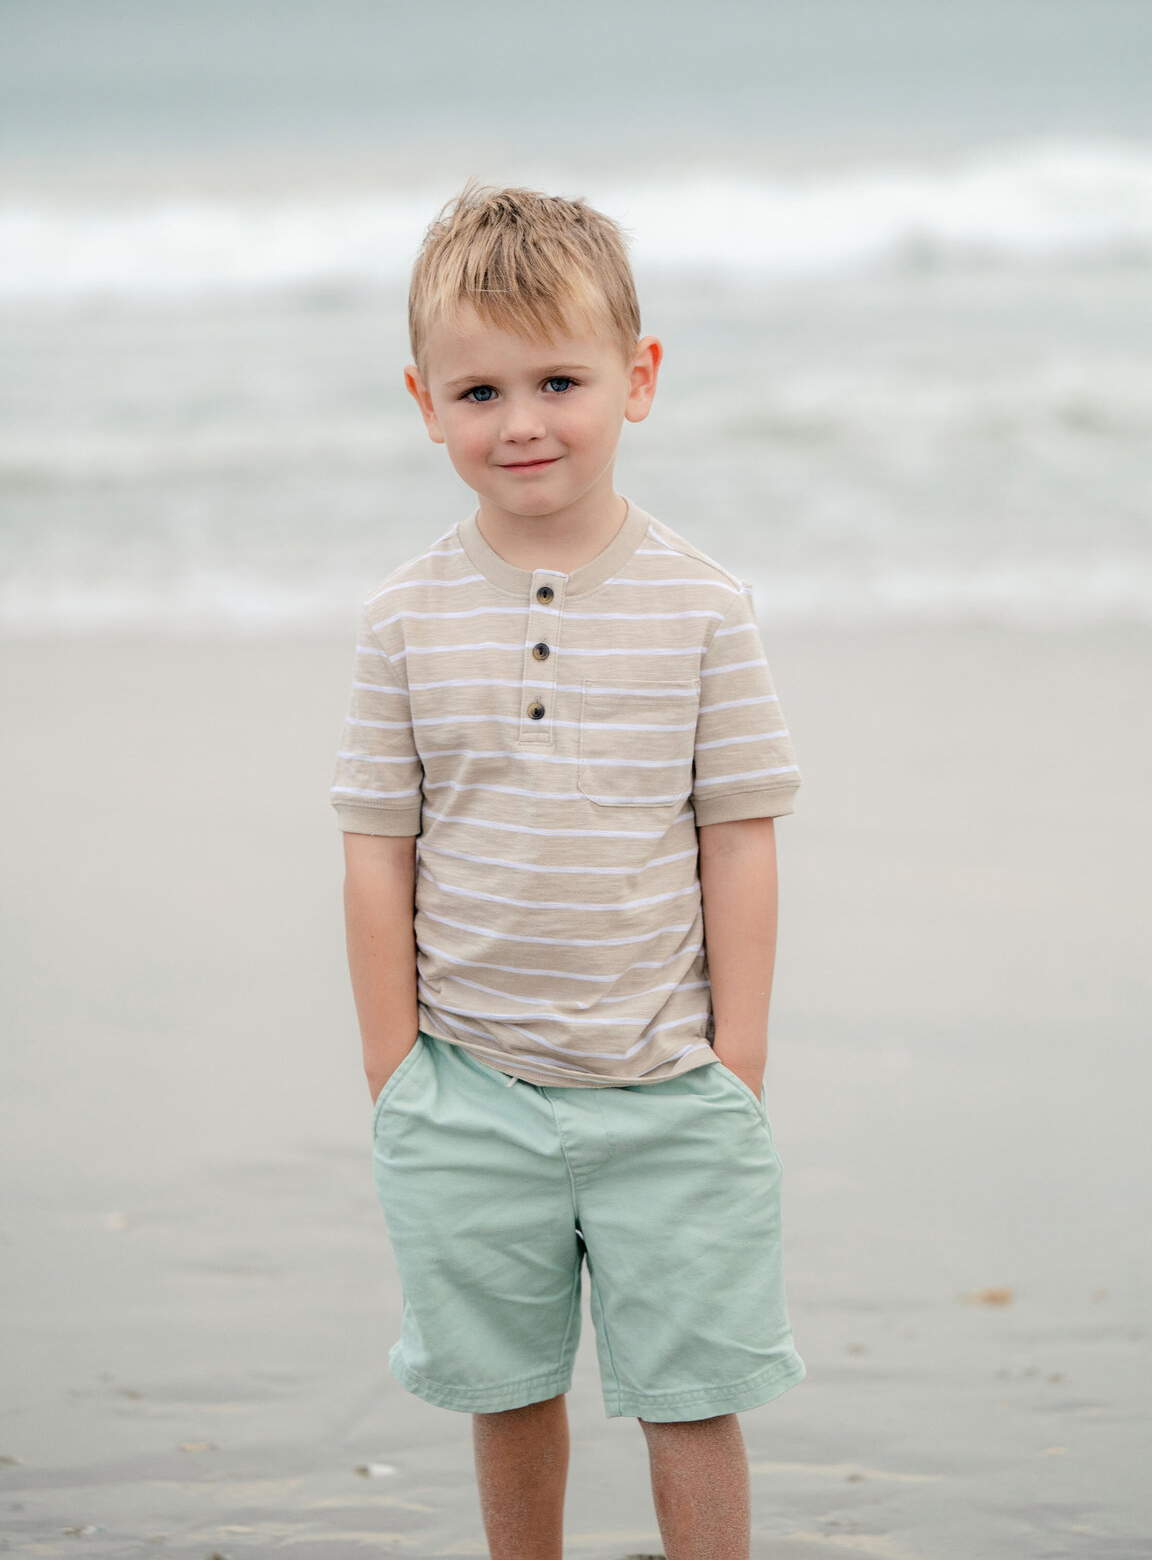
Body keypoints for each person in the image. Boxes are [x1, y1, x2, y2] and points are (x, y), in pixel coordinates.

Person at [331, 183, 805, 1560]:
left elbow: (739, 831)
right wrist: (393, 1070)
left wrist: (741, 1057)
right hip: (467, 1089)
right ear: (425, 402)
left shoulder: (704, 604)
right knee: (510, 1389)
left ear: (637, 381)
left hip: (672, 1092)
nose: (521, 420)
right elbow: (378, 849)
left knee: (695, 1393)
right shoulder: (402, 619)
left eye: (559, 380)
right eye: (479, 390)